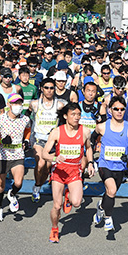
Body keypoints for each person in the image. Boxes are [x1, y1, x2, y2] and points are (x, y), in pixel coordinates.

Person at [42, 102, 94, 243]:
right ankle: (54, 228)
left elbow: (88, 149)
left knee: (76, 202)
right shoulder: (57, 132)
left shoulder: (85, 132)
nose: (76, 117)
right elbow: (44, 153)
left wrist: (90, 163)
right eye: (73, 114)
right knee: (57, 206)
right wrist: (54, 157)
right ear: (65, 116)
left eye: (78, 114)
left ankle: (69, 195)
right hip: (59, 172)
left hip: (74, 171)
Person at [93, 96, 128, 231]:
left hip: (120, 167)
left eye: (122, 109)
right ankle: (108, 218)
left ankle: (101, 207)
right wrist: (93, 151)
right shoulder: (102, 127)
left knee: (111, 192)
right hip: (104, 165)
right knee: (111, 190)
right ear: (110, 110)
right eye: (116, 109)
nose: (119, 111)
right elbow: (91, 139)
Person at [0, 93, 31, 221]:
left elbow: (28, 130)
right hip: (2, 155)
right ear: (9, 104)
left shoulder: (25, 119)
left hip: (18, 154)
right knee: (0, 185)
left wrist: (26, 140)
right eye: (15, 103)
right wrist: (2, 141)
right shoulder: (0, 119)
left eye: (19, 103)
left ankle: (12, 194)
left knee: (18, 182)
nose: (17, 106)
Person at [29, 78, 66, 202]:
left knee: (46, 168)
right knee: (40, 164)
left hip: (52, 142)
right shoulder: (35, 104)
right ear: (42, 89)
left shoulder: (60, 105)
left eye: (51, 88)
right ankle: (36, 186)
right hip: (39, 140)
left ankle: (40, 183)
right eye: (46, 88)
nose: (49, 90)